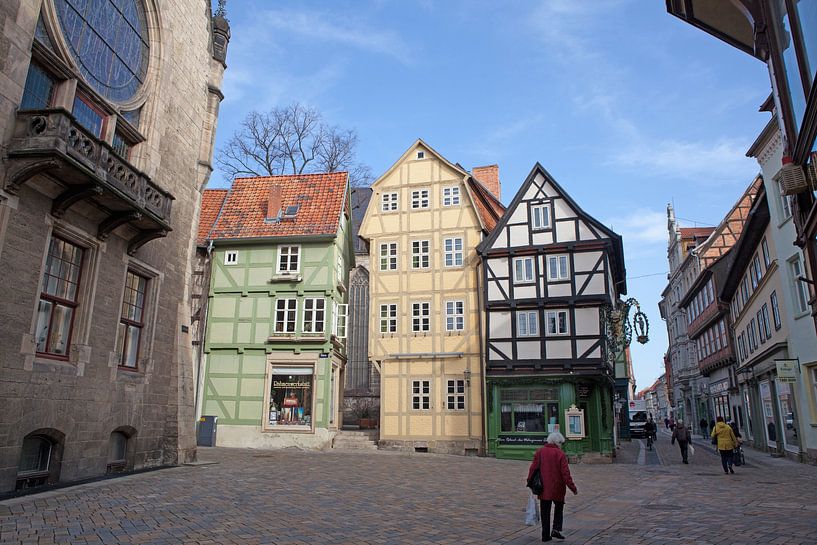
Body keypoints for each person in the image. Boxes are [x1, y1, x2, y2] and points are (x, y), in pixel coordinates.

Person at [527, 432, 578, 542]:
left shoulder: (540, 452)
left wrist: (529, 483)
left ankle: (545, 535)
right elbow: (566, 474)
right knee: (559, 508)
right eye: (560, 443)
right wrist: (572, 487)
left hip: (544, 487)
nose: (561, 445)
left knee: (545, 511)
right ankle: (556, 529)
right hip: (558, 487)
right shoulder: (560, 454)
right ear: (557, 442)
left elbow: (533, 469)